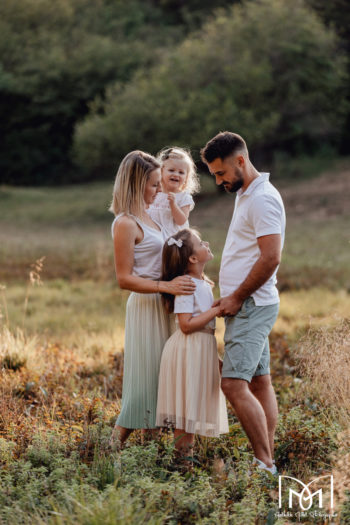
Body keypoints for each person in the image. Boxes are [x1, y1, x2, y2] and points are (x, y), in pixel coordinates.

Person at [201, 132, 286, 475]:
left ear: (240, 161)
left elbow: (271, 258)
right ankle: (269, 454)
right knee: (259, 381)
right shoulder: (246, 192)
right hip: (248, 304)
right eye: (214, 176)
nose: (219, 181)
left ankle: (265, 464)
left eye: (221, 174)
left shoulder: (262, 199)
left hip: (251, 306)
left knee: (233, 384)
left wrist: (237, 296)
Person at [109, 150, 196, 446]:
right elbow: (125, 279)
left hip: (164, 303)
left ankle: (151, 452)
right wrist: (166, 287)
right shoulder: (125, 222)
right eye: (154, 184)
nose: (159, 190)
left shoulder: (152, 217)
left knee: (163, 378)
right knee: (145, 382)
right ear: (136, 184)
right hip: (146, 305)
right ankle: (114, 445)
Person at [156, 228, 229, 462]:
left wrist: (214, 358)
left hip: (201, 348)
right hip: (188, 348)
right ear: (193, 258)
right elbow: (186, 324)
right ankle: (181, 463)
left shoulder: (203, 283)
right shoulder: (187, 284)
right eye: (200, 242)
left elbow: (202, 321)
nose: (206, 242)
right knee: (185, 413)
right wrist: (215, 311)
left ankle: (186, 460)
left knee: (192, 410)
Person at [147, 147, 199, 238]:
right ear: (161, 171)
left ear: (186, 177)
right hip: (154, 239)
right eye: (171, 170)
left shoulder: (184, 197)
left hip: (174, 242)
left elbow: (181, 221)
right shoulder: (155, 192)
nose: (176, 174)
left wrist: (173, 204)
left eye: (181, 172)